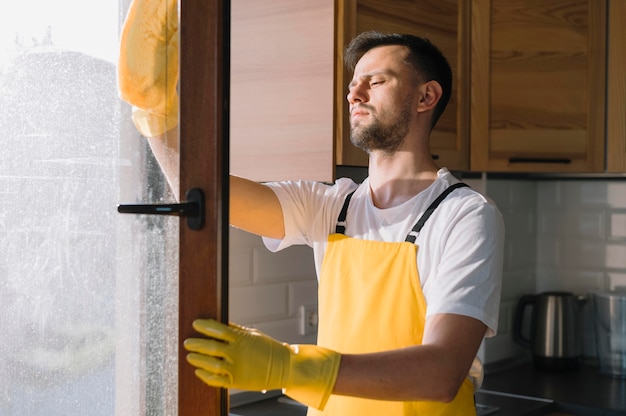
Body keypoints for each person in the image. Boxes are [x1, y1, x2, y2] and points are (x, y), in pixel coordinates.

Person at [118, 1, 505, 415]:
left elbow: (440, 373)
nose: (354, 94)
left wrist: (287, 365)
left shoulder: (465, 215)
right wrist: (156, 112)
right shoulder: (330, 205)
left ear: (426, 96)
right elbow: (211, 197)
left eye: (376, 81)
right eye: (353, 84)